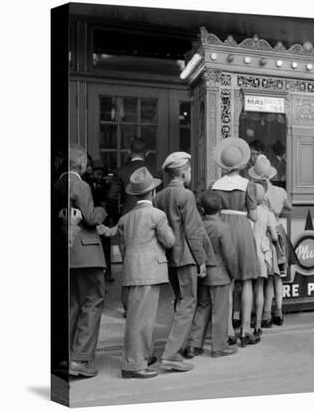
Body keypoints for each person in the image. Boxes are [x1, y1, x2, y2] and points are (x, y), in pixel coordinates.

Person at [97, 167, 174, 379]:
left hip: (132, 270)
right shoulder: (157, 215)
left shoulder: (127, 217)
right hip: (150, 270)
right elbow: (169, 241)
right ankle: (134, 364)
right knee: (141, 320)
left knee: (138, 316)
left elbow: (116, 238)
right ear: (152, 192)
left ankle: (143, 356)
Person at [153, 151, 216, 372]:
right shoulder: (186, 196)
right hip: (187, 257)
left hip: (169, 257)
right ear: (182, 173)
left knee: (180, 302)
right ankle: (171, 354)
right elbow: (193, 231)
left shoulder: (158, 197)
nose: (190, 173)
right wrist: (201, 259)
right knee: (188, 304)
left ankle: (173, 348)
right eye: (188, 170)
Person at [53, 144, 108, 377]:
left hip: (66, 249)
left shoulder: (56, 185)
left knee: (73, 303)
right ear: (82, 163)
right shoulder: (81, 184)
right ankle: (81, 359)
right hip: (87, 250)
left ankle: (66, 355)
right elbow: (90, 218)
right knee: (93, 301)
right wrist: (103, 211)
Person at [211, 137, 261, 346]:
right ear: (241, 164)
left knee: (228, 281)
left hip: (223, 227)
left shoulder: (215, 185)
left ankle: (229, 330)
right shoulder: (248, 185)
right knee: (247, 280)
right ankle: (246, 329)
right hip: (242, 228)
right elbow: (254, 216)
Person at [184, 190, 239, 359]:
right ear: (220, 208)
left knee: (202, 308)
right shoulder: (223, 227)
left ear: (202, 209)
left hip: (203, 273)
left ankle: (194, 345)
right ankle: (219, 347)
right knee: (220, 311)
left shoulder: (199, 225)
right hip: (220, 273)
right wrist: (233, 273)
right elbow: (230, 254)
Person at [109, 138, 161, 312]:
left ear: (129, 152)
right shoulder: (155, 173)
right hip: (150, 221)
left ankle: (127, 306)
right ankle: (144, 306)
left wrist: (118, 218)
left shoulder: (121, 172)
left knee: (128, 266)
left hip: (128, 222)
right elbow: (158, 200)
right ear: (146, 153)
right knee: (148, 265)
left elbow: (112, 198)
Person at [248, 154, 292, 328]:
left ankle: (265, 314)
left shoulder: (253, 192)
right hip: (278, 234)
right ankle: (278, 312)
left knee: (263, 278)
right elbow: (290, 206)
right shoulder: (280, 192)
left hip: (260, 236)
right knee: (277, 276)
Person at [250, 183, 278, 337]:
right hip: (261, 252)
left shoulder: (246, 212)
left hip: (248, 250)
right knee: (260, 288)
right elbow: (274, 236)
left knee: (245, 287)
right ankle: (258, 324)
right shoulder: (268, 214)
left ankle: (243, 321)